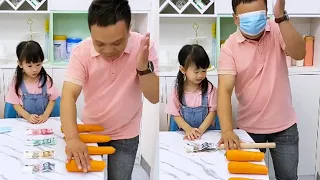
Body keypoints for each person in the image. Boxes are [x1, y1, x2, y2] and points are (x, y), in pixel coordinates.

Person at [60, 0, 159, 179]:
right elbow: (68, 95)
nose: (108, 50)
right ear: (90, 32)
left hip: (126, 133)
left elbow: (154, 97)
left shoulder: (143, 47)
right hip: (91, 129)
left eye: (116, 43)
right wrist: (72, 138)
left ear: (129, 30)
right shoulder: (81, 52)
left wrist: (143, 68)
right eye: (99, 43)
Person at [217, 0, 305, 179]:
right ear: (235, 19)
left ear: (266, 13)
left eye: (259, 16)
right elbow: (224, 92)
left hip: (285, 127)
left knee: (288, 177)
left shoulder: (277, 28)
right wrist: (227, 131)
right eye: (247, 18)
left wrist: (281, 17)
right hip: (249, 130)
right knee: (250, 178)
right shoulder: (229, 47)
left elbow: (299, 53)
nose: (254, 23)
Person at [166, 44, 220, 141]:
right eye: (196, 72)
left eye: (204, 71)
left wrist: (199, 131)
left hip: (206, 134)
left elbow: (213, 112)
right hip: (184, 134)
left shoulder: (210, 89)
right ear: (183, 70)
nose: (200, 75)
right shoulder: (177, 91)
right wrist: (188, 130)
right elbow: (175, 115)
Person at [6, 40, 60, 124]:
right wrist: (28, 116)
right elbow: (15, 104)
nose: (34, 69)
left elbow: (52, 99)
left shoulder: (46, 80)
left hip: (44, 122)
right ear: (20, 64)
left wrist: (45, 115)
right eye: (29, 66)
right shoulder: (16, 82)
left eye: (38, 65)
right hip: (24, 121)